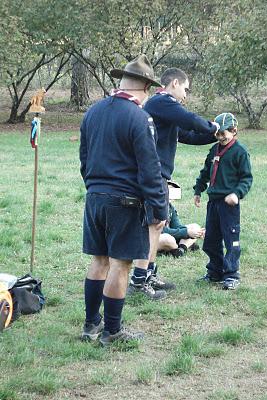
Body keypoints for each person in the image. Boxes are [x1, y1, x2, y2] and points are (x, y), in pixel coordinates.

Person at [79, 54, 167, 346]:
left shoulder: (93, 111)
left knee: (99, 260)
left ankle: (91, 324)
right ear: (144, 86)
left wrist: (95, 187)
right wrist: (159, 207)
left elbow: (84, 158)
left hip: (95, 197)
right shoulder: (140, 117)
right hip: (125, 202)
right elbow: (150, 169)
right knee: (121, 265)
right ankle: (112, 331)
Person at [128, 67, 220, 297]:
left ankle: (148, 273)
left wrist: (213, 136)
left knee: (157, 225)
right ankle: (140, 281)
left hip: (158, 174)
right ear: (175, 83)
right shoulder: (162, 102)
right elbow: (189, 120)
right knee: (152, 226)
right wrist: (215, 126)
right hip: (152, 173)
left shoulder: (165, 109)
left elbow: (186, 134)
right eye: (185, 89)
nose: (186, 96)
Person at [193, 112, 253, 290]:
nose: (220, 137)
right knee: (211, 240)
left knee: (231, 240)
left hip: (229, 205)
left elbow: (246, 179)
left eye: (224, 133)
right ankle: (215, 272)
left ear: (234, 131)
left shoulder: (240, 152)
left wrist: (237, 193)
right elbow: (205, 171)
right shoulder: (214, 149)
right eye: (218, 134)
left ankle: (231, 274)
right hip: (213, 203)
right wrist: (198, 190)